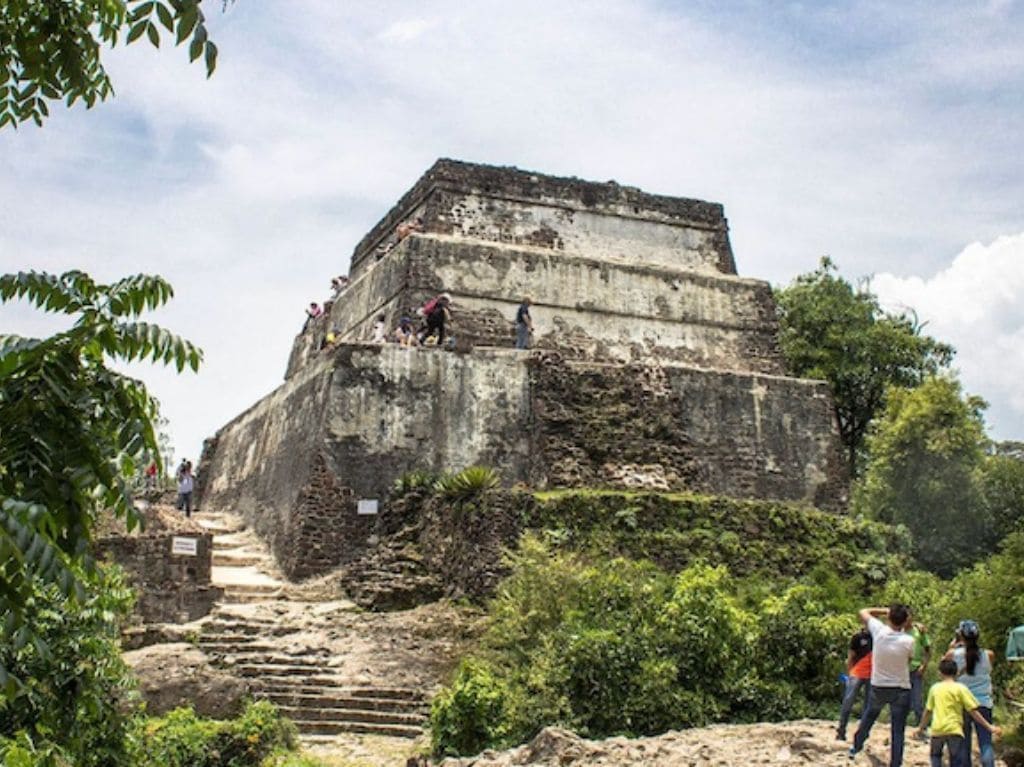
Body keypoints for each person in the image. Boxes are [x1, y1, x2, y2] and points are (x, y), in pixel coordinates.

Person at [849, 604, 916, 766]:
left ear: (888, 617)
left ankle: (856, 746)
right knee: (898, 729)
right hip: (901, 687)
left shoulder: (878, 631)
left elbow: (862, 611)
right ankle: (896, 763)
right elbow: (909, 660)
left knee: (869, 716)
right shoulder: (909, 640)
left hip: (879, 685)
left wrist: (884, 610)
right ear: (905, 620)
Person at [915, 658, 1001, 767]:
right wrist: (989, 727)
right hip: (954, 730)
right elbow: (973, 711)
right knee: (956, 759)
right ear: (956, 673)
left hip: (937, 730)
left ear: (939, 673)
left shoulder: (934, 689)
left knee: (935, 756)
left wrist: (920, 727)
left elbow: (928, 711)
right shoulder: (961, 688)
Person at [946, 620, 997, 767]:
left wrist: (952, 647)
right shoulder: (989, 654)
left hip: (961, 704)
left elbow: (944, 672)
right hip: (984, 703)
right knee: (986, 743)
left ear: (960, 636)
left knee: (963, 744)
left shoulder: (952, 654)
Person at [838, 626, 873, 740]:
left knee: (868, 705)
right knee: (848, 701)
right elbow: (851, 655)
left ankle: (862, 733)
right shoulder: (858, 637)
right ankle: (841, 730)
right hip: (857, 672)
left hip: (873, 674)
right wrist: (849, 673)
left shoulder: (877, 636)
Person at [908, 617, 933, 725]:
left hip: (916, 669)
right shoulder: (897, 630)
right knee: (899, 702)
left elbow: (928, 649)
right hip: (900, 670)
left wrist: (924, 665)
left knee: (917, 701)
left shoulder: (919, 631)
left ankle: (921, 727)